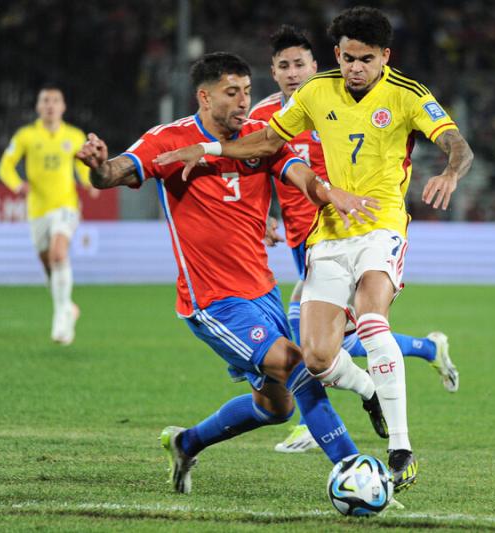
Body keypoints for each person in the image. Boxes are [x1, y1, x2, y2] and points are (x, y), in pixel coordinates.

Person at [155, 7, 474, 492]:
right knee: (318, 359)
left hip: (381, 227)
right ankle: (372, 391)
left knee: (369, 320)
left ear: (384, 56)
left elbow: (458, 144)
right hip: (326, 237)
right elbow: (266, 142)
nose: (354, 67)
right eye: (346, 57)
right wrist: (211, 151)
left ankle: (401, 451)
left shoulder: (409, 95)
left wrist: (450, 171)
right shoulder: (316, 91)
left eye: (365, 59)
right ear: (336, 54)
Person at [75, 52, 376, 494]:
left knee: (277, 408)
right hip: (212, 300)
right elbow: (116, 173)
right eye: (231, 93)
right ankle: (357, 472)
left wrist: (328, 193)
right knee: (298, 367)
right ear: (204, 96)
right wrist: (99, 166)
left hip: (262, 293)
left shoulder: (261, 138)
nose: (243, 102)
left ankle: (186, 442)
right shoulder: (169, 141)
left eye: (247, 92)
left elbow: (301, 175)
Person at [252, 24, 460, 455]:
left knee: (347, 328)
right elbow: (259, 164)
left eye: (299, 65)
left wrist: (450, 171)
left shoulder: (349, 96)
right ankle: (414, 356)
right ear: (273, 71)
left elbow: (452, 142)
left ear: (315, 65)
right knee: (327, 344)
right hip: (308, 234)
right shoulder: (268, 115)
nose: (293, 73)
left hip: (363, 227)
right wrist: (262, 216)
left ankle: (353, 424)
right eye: (283, 66)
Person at [0, 85, 98, 345]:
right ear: (38, 107)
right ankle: (68, 307)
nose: (50, 105)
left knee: (58, 253)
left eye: (55, 101)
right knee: (47, 263)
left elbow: (81, 165)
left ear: (63, 106)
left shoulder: (74, 135)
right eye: (45, 101)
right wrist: (17, 184)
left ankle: (62, 315)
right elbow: (5, 166)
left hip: (66, 205)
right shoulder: (26, 136)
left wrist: (90, 182)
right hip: (37, 210)